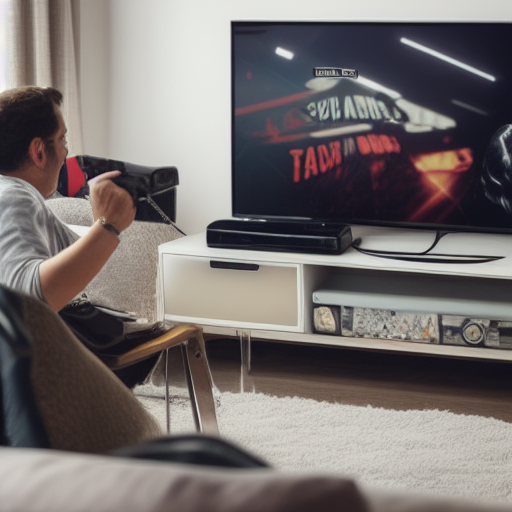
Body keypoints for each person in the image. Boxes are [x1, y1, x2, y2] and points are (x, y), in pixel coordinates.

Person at [0, 86, 136, 312]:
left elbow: (67, 263)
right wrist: (107, 226)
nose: (65, 151)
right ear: (39, 152)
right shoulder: (15, 197)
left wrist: (100, 223)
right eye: (62, 139)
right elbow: (29, 303)